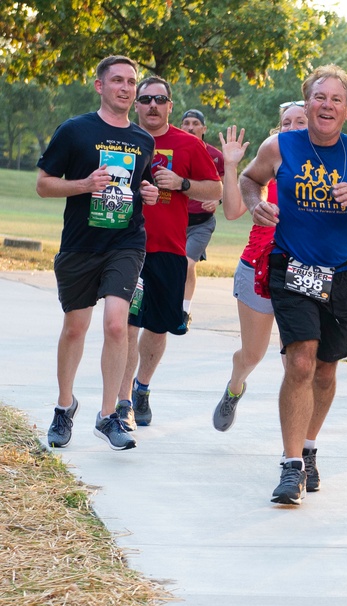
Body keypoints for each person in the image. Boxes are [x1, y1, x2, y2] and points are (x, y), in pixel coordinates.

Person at [239, 64, 347, 505]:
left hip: (342, 274)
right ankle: (290, 467)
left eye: (335, 99)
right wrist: (257, 204)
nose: (326, 105)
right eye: (319, 97)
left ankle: (308, 449)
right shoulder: (281, 145)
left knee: (325, 370)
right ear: (306, 103)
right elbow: (251, 180)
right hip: (292, 266)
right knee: (301, 364)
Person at [37, 55, 158, 451]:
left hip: (125, 242)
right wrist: (84, 184)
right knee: (76, 327)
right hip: (79, 243)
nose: (125, 88)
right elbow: (43, 185)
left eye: (131, 82)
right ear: (100, 86)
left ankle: (109, 416)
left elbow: (140, 186)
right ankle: (64, 405)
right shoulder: (74, 131)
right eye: (118, 80)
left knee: (116, 324)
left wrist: (149, 193)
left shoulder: (144, 140)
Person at [116, 76, 223, 429]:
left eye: (159, 99)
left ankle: (142, 386)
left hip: (169, 248)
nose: (152, 105)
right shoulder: (122, 137)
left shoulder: (188, 144)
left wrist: (183, 184)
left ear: (169, 105)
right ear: (136, 102)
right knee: (128, 325)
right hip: (127, 247)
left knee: (157, 327)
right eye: (145, 98)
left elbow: (216, 187)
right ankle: (123, 402)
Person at [211, 102, 308, 434]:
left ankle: (294, 448)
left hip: (302, 271)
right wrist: (230, 166)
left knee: (296, 361)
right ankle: (234, 387)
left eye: (301, 121)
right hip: (258, 267)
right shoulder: (270, 163)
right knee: (252, 355)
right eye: (286, 122)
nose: (293, 127)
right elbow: (233, 211)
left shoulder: (325, 169)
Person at [179, 109, 225, 327]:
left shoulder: (216, 156)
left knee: (186, 265)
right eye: (186, 122)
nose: (190, 127)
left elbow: (225, 188)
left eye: (195, 123)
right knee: (175, 265)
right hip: (176, 222)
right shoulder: (175, 151)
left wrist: (217, 200)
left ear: (204, 129)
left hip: (201, 224)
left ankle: (184, 311)